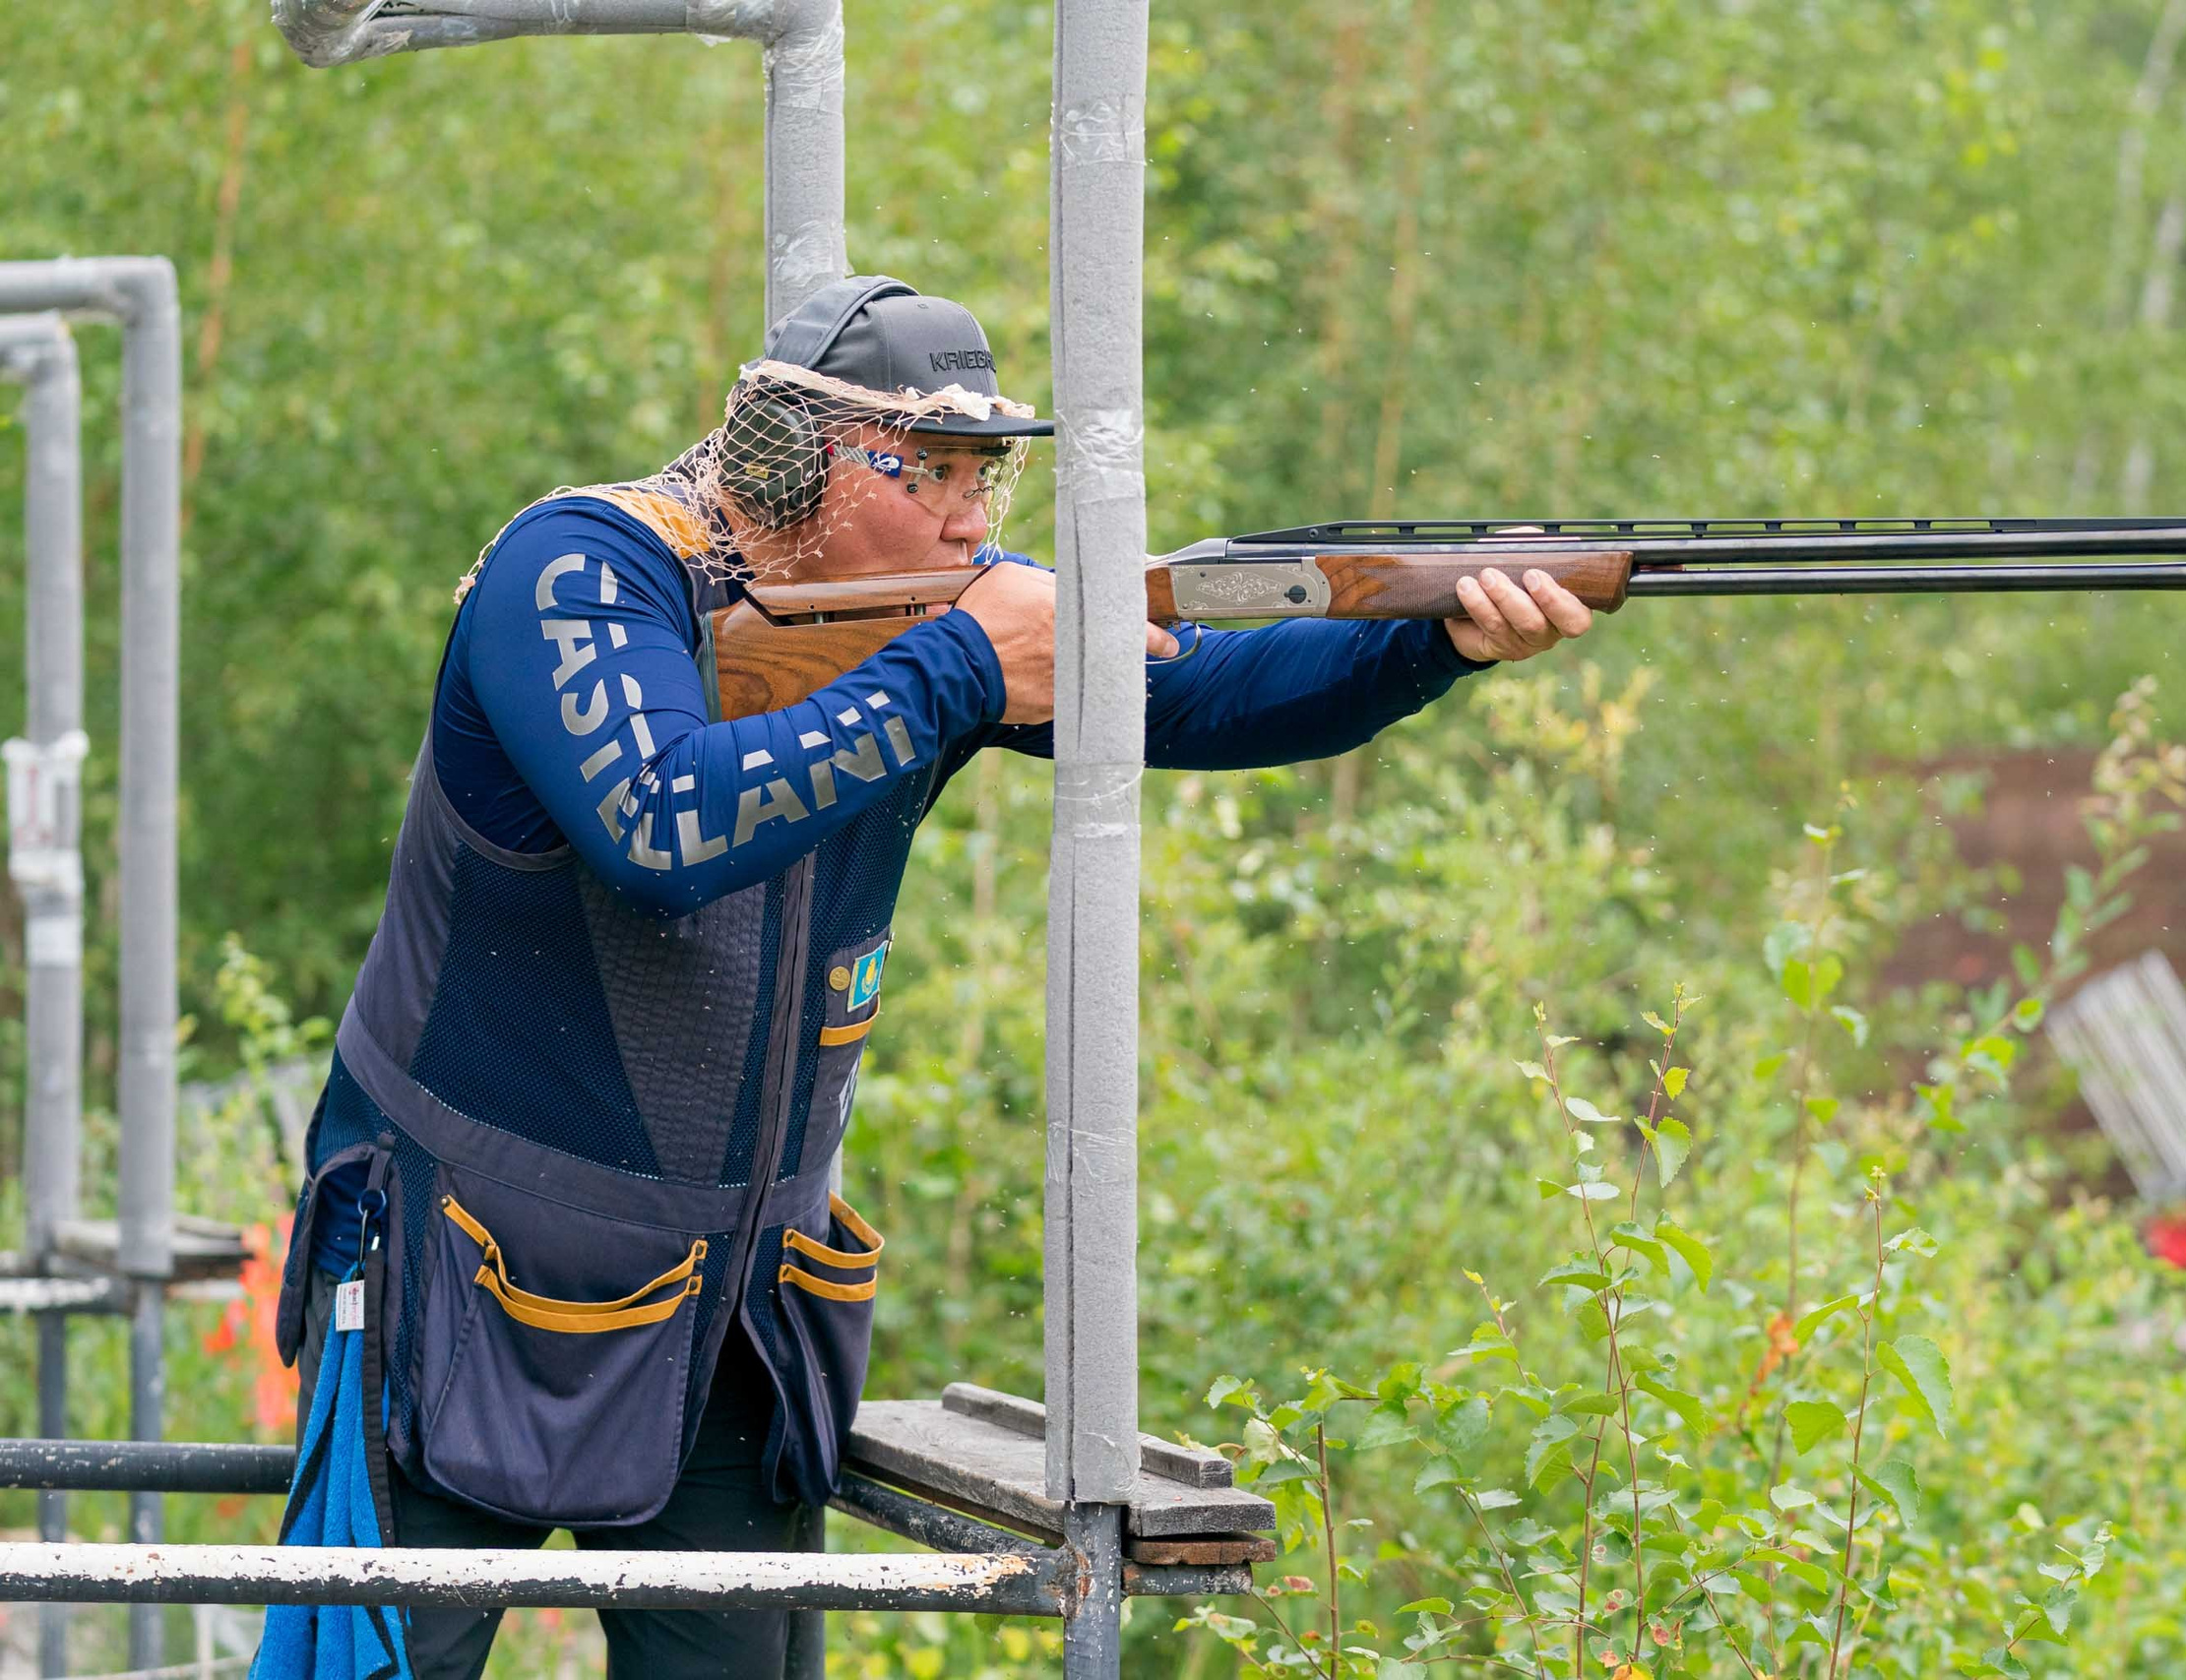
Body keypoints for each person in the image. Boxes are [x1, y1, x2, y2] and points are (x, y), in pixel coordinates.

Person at [269, 274, 1593, 1679]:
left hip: (730, 1314)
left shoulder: (921, 623)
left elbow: (1203, 699)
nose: (973, 519)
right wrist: (961, 665)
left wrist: (1428, 638)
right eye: (936, 472)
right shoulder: (583, 568)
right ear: (800, 455)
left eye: (987, 477)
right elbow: (660, 823)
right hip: (457, 1261)